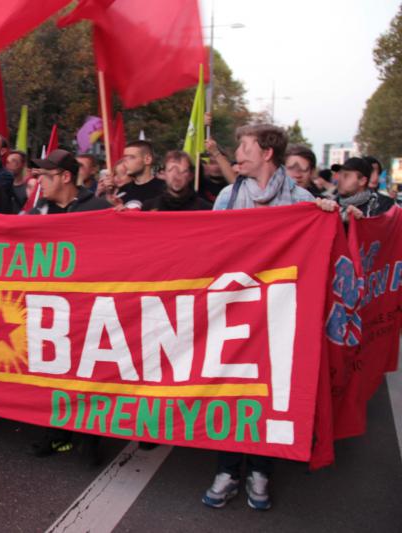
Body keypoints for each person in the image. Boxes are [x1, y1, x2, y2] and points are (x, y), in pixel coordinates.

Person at [205, 124, 316, 511]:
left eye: (244, 145)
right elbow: (206, 245)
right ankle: (228, 469)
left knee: (270, 393)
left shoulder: (303, 200)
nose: (237, 151)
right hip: (235, 311)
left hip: (280, 317)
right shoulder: (227, 195)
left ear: (267, 153)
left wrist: (334, 215)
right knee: (230, 390)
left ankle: (261, 471)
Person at [25, 149, 110, 460]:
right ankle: (56, 434)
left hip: (88, 309)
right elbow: (6, 238)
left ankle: (92, 438)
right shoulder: (39, 213)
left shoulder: (99, 209)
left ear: (65, 177)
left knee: (89, 374)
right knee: (54, 373)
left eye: (45, 177)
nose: (39, 183)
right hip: (50, 310)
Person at [141, 151, 212, 211]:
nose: (176, 176)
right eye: (171, 170)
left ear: (191, 175)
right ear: (163, 174)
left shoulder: (205, 209)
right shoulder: (149, 208)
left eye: (182, 171)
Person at [334, 157, 395, 221]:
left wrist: (361, 222)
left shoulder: (384, 205)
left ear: (362, 181)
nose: (340, 180)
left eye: (347, 176)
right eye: (340, 175)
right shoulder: (331, 204)